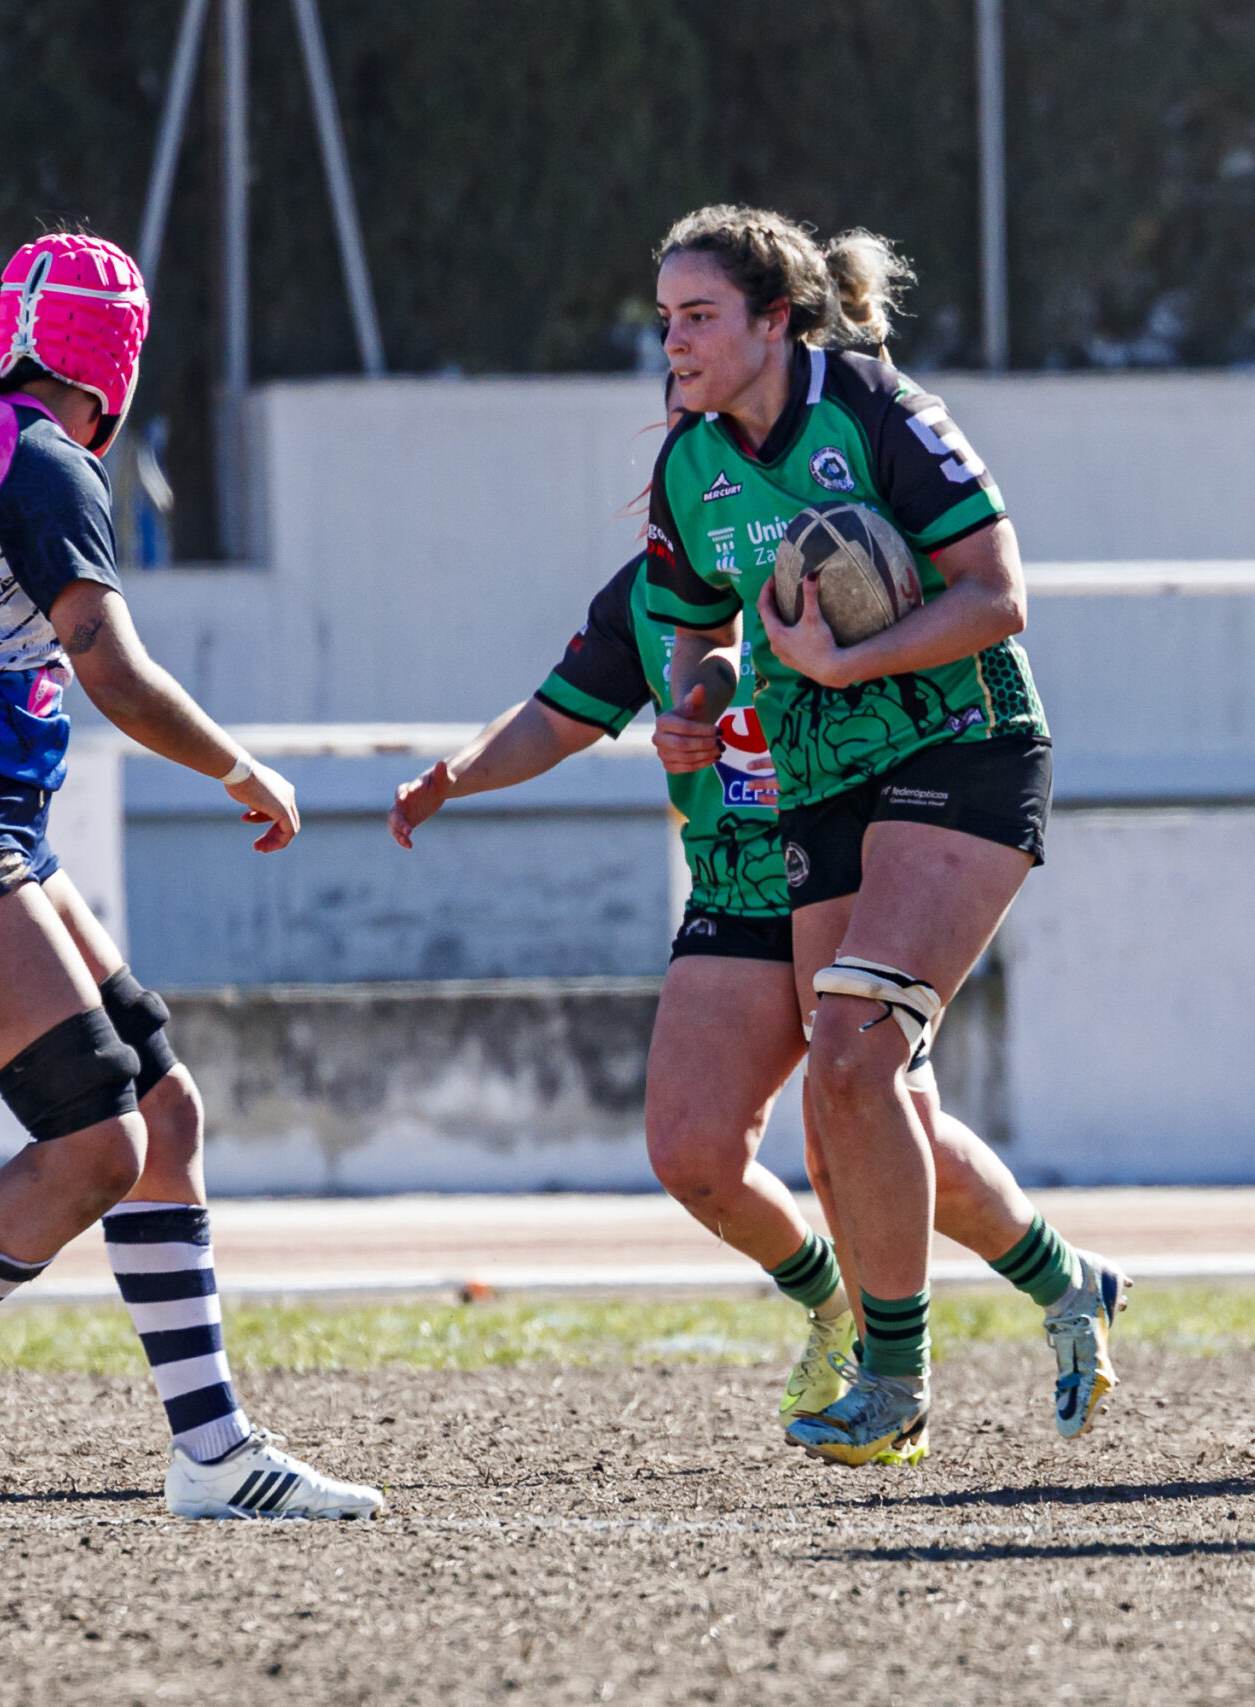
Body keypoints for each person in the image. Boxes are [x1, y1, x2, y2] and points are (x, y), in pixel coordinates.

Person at [0, 232, 385, 1529]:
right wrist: (240, 767)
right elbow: (108, 664)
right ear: (120, 363)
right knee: (96, 1133)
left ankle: (212, 1449)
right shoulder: (49, 463)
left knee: (164, 1106)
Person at [392, 404, 1120, 1449]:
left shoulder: (837, 546)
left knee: (867, 1128)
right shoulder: (649, 599)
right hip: (738, 880)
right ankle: (833, 1304)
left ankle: (1034, 1298)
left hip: (855, 859)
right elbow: (559, 713)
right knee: (691, 1149)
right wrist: (454, 778)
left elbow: (950, 615)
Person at [639, 205, 1113, 1468]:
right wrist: (692, 704)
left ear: (772, 320)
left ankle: (891, 1384)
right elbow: (695, 621)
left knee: (850, 1051)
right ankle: (1067, 1281)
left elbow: (996, 595)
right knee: (858, 1104)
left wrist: (847, 660)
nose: (672, 341)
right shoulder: (691, 464)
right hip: (816, 776)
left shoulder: (874, 408)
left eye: (698, 317)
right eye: (665, 317)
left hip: (962, 746)